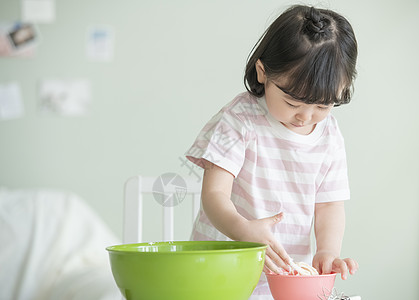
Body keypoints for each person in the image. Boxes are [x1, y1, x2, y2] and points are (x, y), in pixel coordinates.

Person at [185, 4, 359, 299]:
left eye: (323, 106)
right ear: (263, 72)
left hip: (285, 277)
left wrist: (328, 251)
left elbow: (329, 205)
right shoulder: (239, 119)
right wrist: (243, 230)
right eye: (293, 103)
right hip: (220, 272)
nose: (305, 116)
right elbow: (215, 195)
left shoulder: (329, 135)